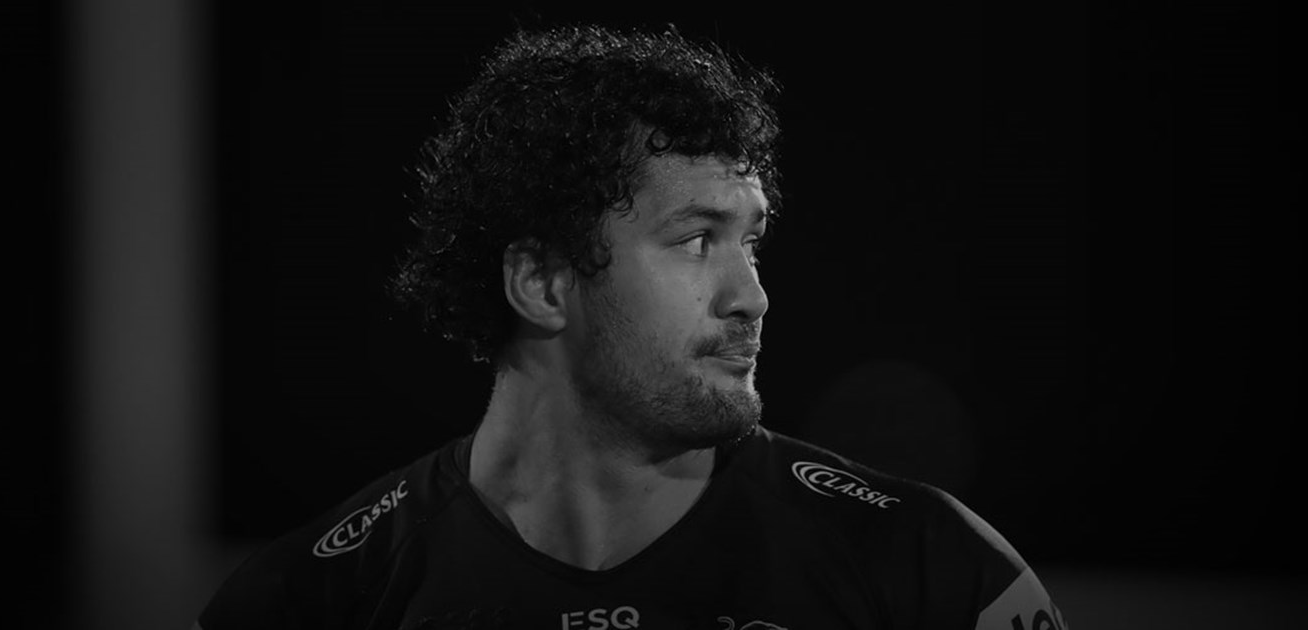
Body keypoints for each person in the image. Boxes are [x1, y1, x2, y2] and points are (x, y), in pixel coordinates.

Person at [199, 24, 1068, 630]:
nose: (752, 297)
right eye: (694, 240)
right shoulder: (309, 602)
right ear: (541, 282)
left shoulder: (931, 569)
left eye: (750, 241)